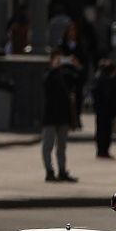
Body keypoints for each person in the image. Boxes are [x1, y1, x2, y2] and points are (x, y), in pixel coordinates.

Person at [41, 50, 78, 183]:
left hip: (63, 116)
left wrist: (75, 65)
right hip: (50, 116)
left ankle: (62, 171)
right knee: (48, 146)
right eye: (56, 59)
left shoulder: (65, 74)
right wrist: (54, 69)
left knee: (62, 147)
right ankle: (49, 171)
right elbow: (46, 84)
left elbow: (78, 80)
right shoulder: (48, 74)